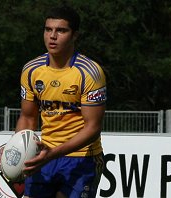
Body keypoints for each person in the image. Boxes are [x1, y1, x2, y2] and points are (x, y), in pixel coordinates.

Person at [13, 5, 107, 198]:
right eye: (48, 30)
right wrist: (18, 150)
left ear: (75, 35)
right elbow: (28, 117)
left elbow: (92, 128)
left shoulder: (89, 72)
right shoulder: (31, 70)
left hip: (82, 158)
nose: (52, 36)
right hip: (43, 157)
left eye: (61, 30)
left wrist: (53, 153)